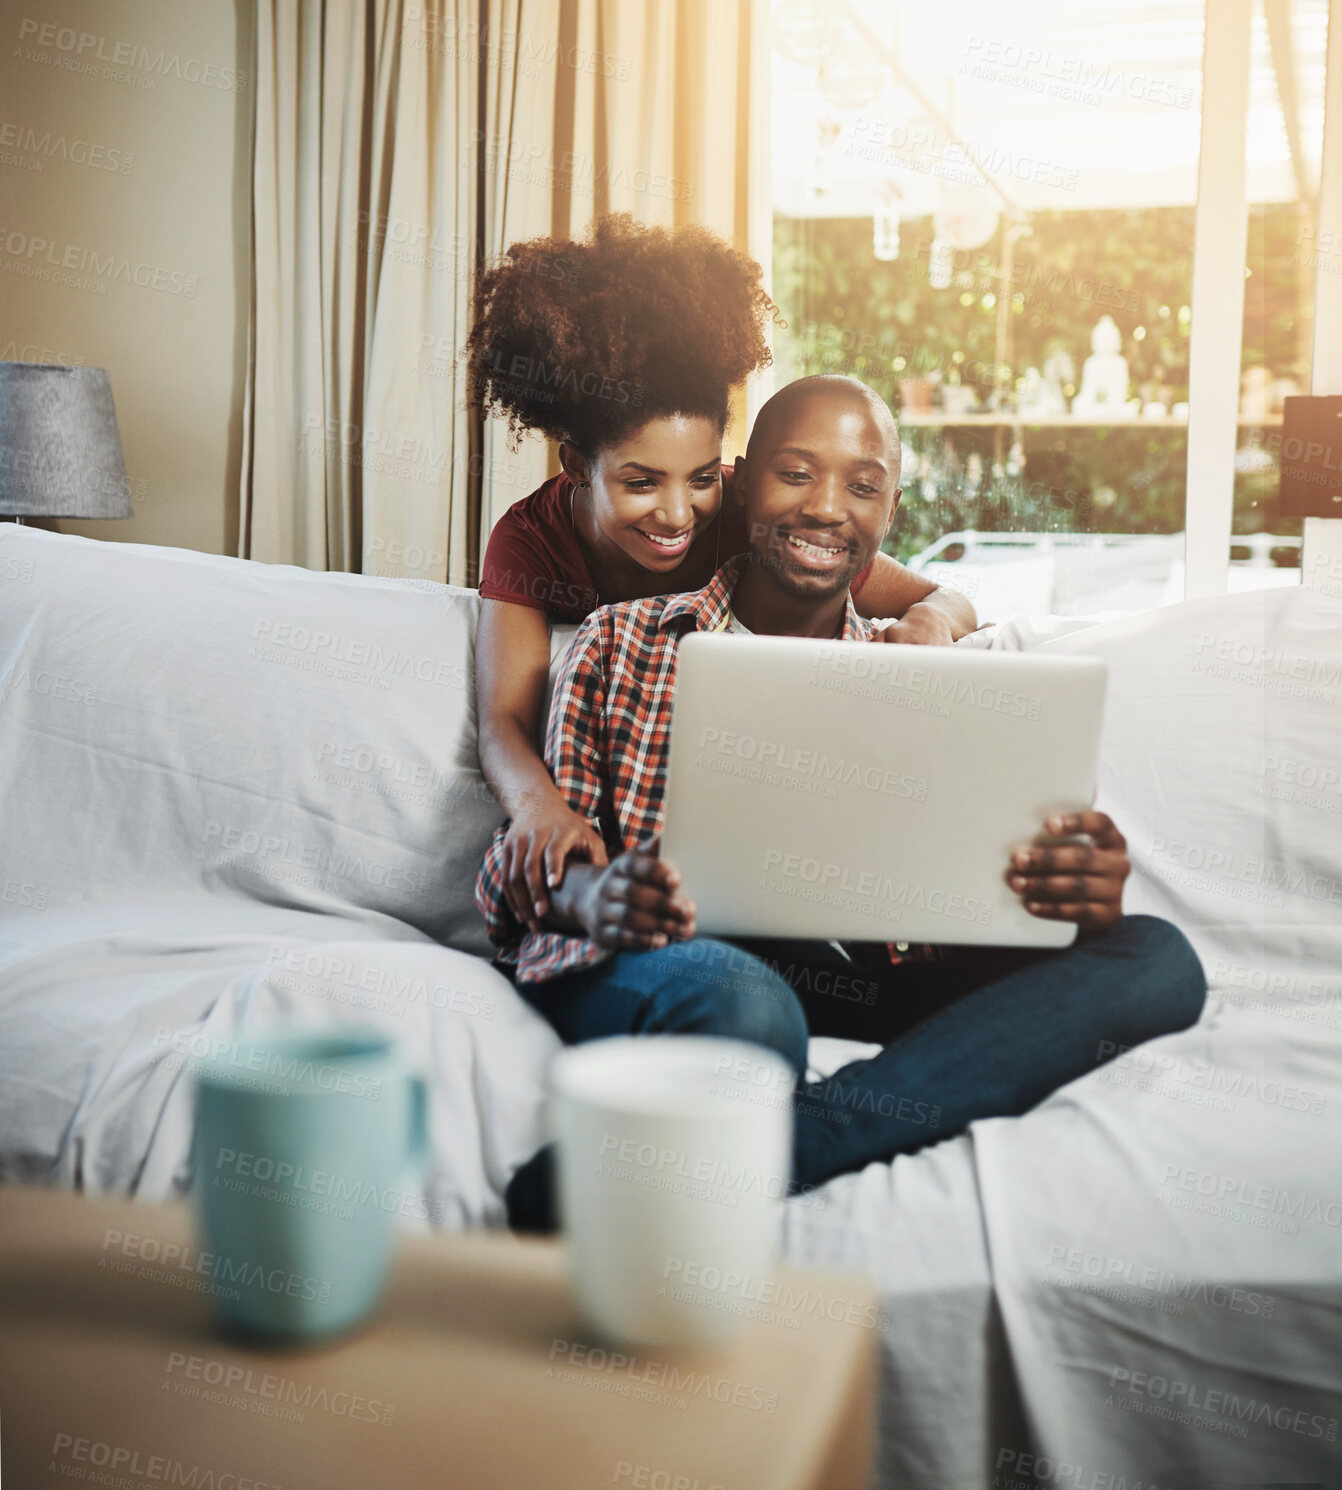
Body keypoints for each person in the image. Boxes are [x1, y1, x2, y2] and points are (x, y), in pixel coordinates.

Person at [476, 374, 1206, 1231]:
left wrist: (1067, 891)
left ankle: (786, 1143)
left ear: (890, 510)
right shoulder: (625, 641)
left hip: (868, 975)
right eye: (796, 473)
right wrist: (598, 895)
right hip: (677, 965)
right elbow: (523, 873)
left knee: (1156, 958)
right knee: (748, 1008)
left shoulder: (932, 680)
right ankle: (775, 1139)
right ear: (741, 483)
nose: (827, 508)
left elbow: (959, 889)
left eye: (862, 486)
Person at [467, 216, 977, 938]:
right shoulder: (531, 541)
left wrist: (931, 621)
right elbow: (503, 722)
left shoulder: (756, 514)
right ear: (578, 467)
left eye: (703, 477)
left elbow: (937, 594)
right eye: (643, 483)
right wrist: (540, 808)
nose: (680, 514)